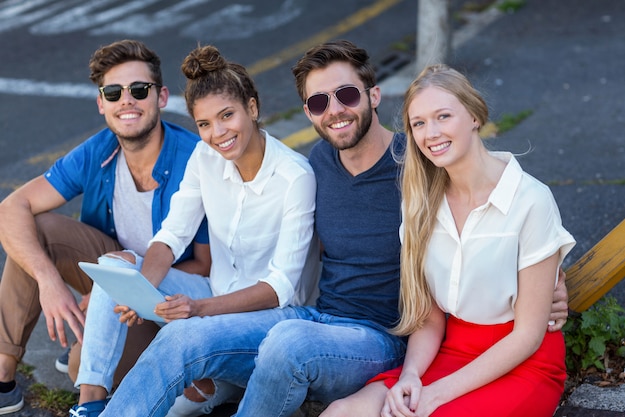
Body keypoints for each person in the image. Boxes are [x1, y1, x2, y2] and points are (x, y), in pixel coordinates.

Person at [98, 40, 570, 417]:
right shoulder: (316, 164)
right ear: (308, 113)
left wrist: (553, 280)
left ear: (373, 95)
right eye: (319, 101)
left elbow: (489, 200)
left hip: (382, 338)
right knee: (185, 335)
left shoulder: (419, 163)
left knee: (288, 344)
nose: (335, 110)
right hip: (318, 320)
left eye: (346, 94)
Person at [73, 44, 319, 417]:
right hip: (214, 296)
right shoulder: (205, 158)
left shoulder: (295, 177)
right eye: (204, 124)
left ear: (252, 108)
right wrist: (142, 289)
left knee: (180, 339)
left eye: (227, 116)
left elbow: (280, 287)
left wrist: (198, 309)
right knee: (115, 267)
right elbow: (172, 235)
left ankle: (213, 384)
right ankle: (90, 404)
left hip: (275, 320)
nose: (218, 133)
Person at [320, 64, 576, 417]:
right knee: (342, 412)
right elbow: (429, 317)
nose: (432, 133)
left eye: (443, 116)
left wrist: (436, 394)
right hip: (447, 350)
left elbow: (528, 335)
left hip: (522, 361)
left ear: (473, 115)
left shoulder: (530, 200)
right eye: (419, 123)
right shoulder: (420, 203)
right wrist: (411, 376)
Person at [0, 39, 211, 416]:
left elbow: (207, 267)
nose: (126, 101)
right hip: (114, 275)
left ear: (161, 97)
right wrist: (50, 283)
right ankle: (2, 375)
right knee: (34, 228)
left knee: (83, 368)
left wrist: (120, 288)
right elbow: (11, 207)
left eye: (139, 90)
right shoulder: (99, 151)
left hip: (164, 300)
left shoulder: (194, 161)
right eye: (113, 92)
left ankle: (95, 353)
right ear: (101, 103)